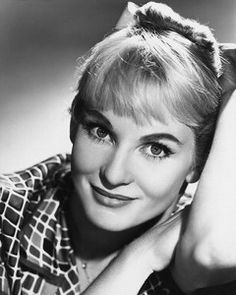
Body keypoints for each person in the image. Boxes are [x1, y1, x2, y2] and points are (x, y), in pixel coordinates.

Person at [0, 2, 236, 294]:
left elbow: (210, 253)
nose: (114, 174)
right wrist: (140, 257)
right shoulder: (7, 213)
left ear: (198, 162)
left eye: (155, 149)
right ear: (74, 125)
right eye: (101, 132)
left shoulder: (206, 246)